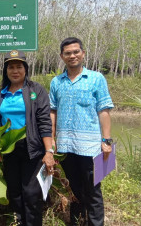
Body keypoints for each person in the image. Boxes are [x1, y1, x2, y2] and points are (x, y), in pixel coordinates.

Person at [49, 37, 114, 226]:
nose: (72, 56)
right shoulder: (56, 82)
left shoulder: (96, 78)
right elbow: (52, 111)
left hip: (90, 146)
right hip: (66, 146)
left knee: (93, 189)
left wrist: (107, 140)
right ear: (62, 56)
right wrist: (52, 138)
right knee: (74, 189)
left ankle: (95, 223)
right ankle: (77, 221)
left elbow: (104, 110)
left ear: (83, 53)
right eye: (68, 53)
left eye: (76, 52)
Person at [0, 50, 54, 226]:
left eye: (19, 66)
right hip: (9, 151)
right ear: (6, 70)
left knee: (31, 194)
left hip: (32, 150)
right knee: (15, 193)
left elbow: (44, 121)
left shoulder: (36, 90)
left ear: (25, 69)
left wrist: (49, 151)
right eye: (11, 67)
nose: (15, 71)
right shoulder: (0, 94)